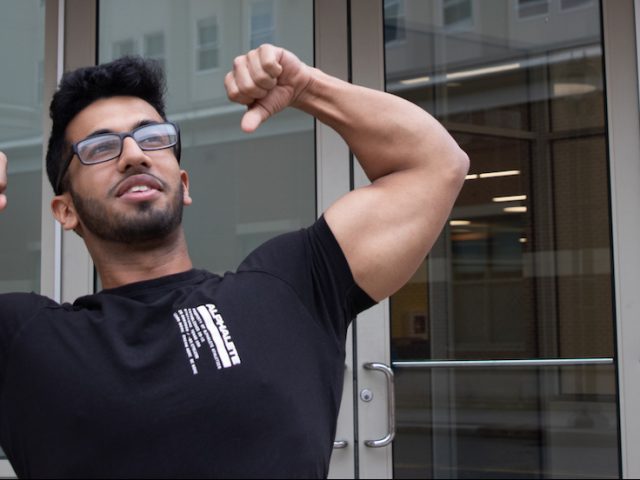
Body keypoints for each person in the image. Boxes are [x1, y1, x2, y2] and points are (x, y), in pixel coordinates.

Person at [0, 44, 468, 478]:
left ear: (183, 184)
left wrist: (308, 88)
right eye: (100, 148)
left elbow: (435, 165)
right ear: (65, 211)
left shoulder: (287, 291)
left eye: (153, 137)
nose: (134, 155)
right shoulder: (24, 341)